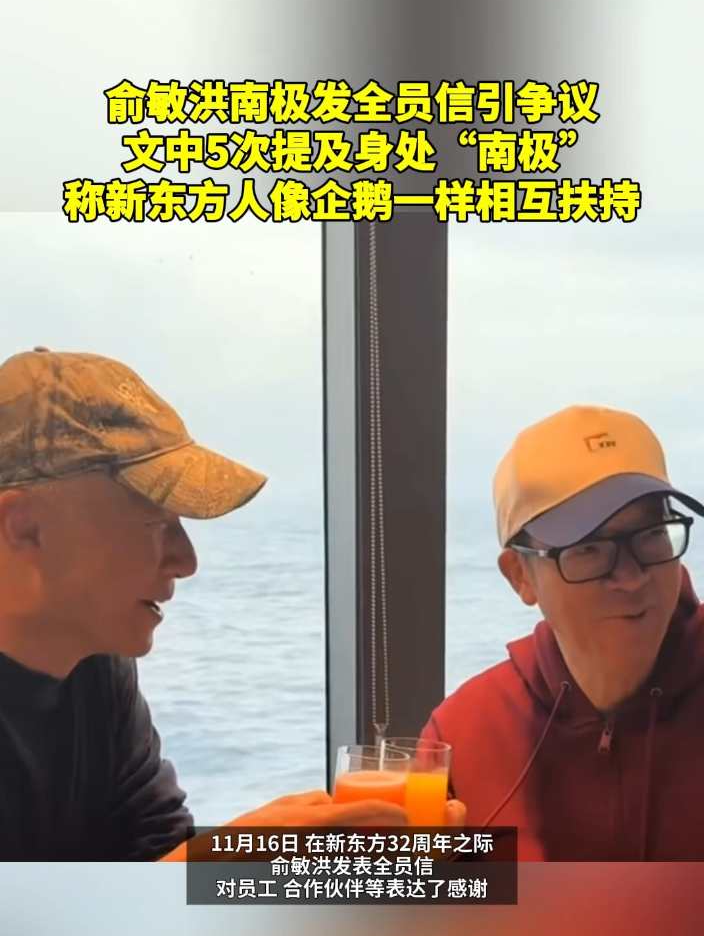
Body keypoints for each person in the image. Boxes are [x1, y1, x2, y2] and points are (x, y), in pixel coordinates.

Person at [0, 347, 464, 861]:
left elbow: (151, 868)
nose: (186, 561)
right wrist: (226, 854)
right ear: (26, 527)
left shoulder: (97, 670)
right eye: (155, 523)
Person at [423, 404, 704, 862]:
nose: (631, 577)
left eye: (652, 534)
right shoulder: (464, 735)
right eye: (588, 549)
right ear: (520, 576)